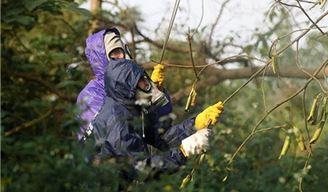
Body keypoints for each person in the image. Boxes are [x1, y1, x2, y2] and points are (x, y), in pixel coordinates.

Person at [91, 58, 224, 179]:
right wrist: (183, 152)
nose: (148, 86)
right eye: (142, 84)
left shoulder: (130, 107)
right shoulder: (118, 123)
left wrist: (195, 124)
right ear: (128, 90)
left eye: (145, 79)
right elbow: (143, 169)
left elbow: (161, 136)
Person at [77, 27, 172, 138]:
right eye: (115, 52)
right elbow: (111, 140)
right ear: (102, 59)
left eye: (123, 50)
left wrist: (155, 90)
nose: (124, 57)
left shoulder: (130, 84)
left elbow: (161, 123)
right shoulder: (91, 96)